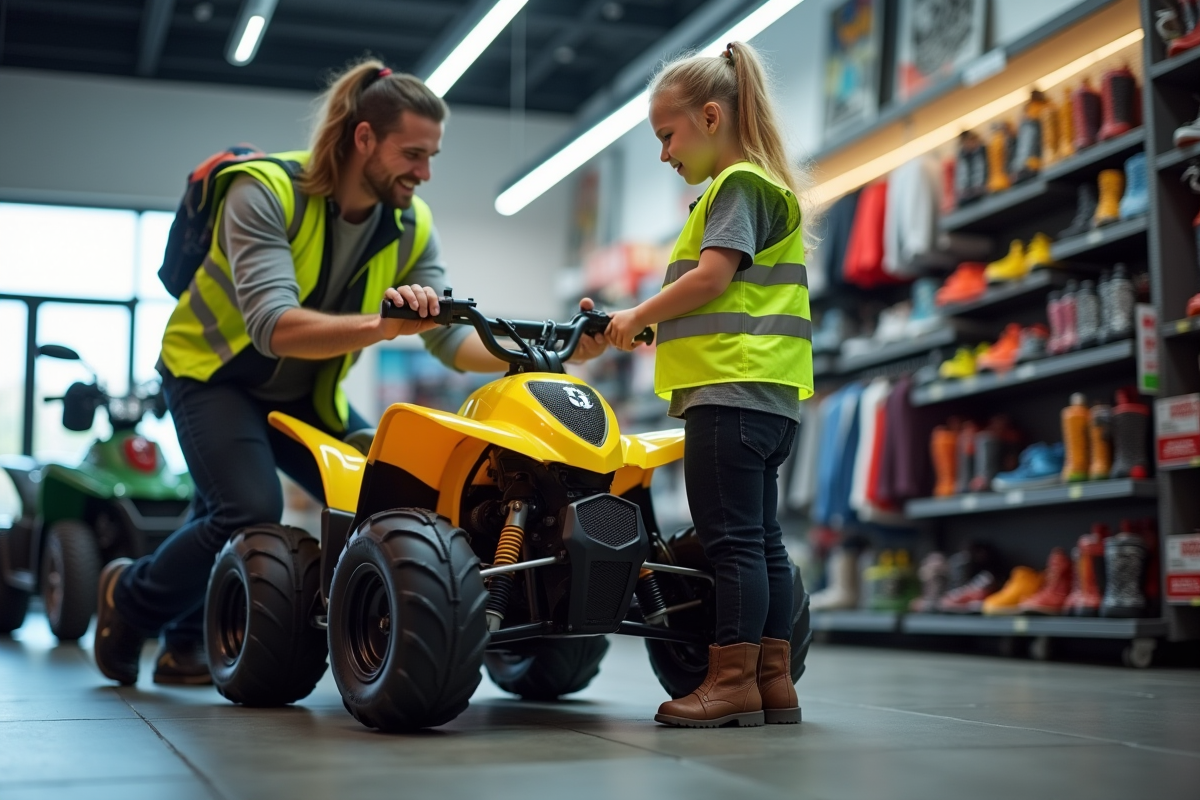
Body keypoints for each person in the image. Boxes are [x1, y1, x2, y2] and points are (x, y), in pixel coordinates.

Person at [94, 59, 605, 686]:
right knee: (246, 507)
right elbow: (272, 325)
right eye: (412, 154)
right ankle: (127, 601)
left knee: (391, 491)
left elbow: (449, 340)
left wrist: (559, 351)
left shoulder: (410, 224)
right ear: (363, 138)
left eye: (432, 156)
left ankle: (182, 644)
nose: (425, 173)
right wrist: (380, 327)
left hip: (309, 393)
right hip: (212, 376)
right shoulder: (262, 191)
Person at [604, 41, 813, 728]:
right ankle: (773, 683)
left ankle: (730, 684)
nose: (665, 153)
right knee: (762, 541)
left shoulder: (736, 186)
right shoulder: (764, 186)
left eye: (668, 135)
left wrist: (638, 313)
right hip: (770, 396)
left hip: (730, 393)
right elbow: (730, 296)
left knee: (731, 544)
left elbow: (712, 278)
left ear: (712, 117)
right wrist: (647, 325)